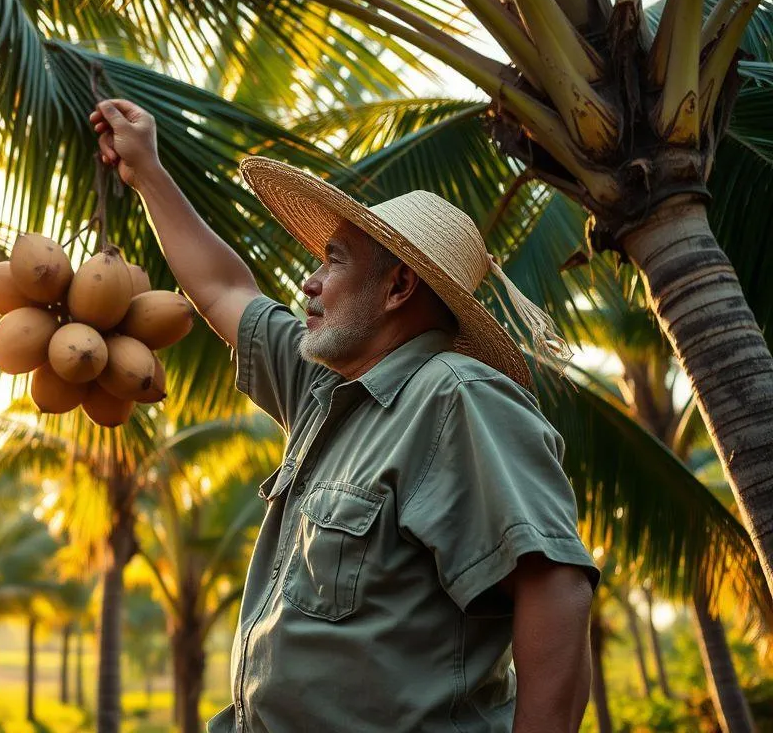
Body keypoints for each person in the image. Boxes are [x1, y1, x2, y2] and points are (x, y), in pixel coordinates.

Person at [91, 98, 599, 732]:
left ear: (397, 288)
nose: (307, 282)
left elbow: (555, 588)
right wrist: (147, 172)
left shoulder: (455, 397)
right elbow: (225, 291)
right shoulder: (323, 385)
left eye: (332, 260)